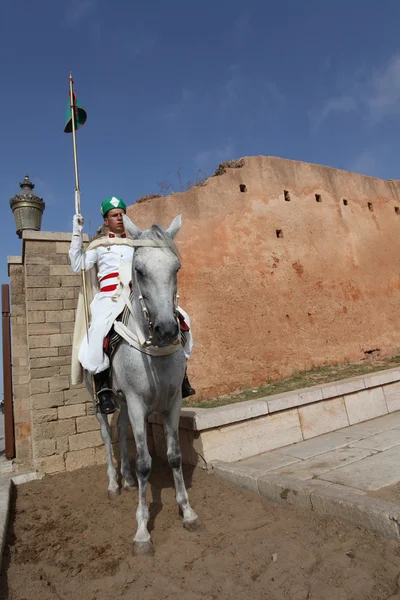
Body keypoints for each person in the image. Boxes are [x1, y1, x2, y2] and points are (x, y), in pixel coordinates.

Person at [69, 196, 196, 415]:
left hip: (133, 295)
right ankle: (104, 388)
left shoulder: (136, 244)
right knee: (98, 331)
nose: (119, 218)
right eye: (114, 215)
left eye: (121, 214)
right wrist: (76, 233)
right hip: (109, 298)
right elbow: (77, 265)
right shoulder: (98, 246)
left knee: (183, 318)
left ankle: (182, 375)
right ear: (106, 220)